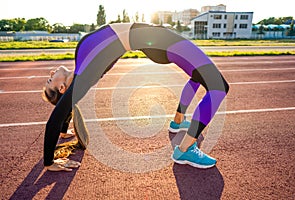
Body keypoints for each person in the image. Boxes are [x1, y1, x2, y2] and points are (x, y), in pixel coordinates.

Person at [42, 23, 229, 171]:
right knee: (219, 87)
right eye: (50, 79)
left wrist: (64, 128)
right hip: (162, 42)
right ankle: (185, 150)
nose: (51, 72)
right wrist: (49, 162)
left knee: (199, 76)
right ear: (61, 87)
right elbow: (57, 115)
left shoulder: (81, 65)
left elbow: (65, 107)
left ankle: (178, 122)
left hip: (159, 40)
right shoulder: (84, 74)